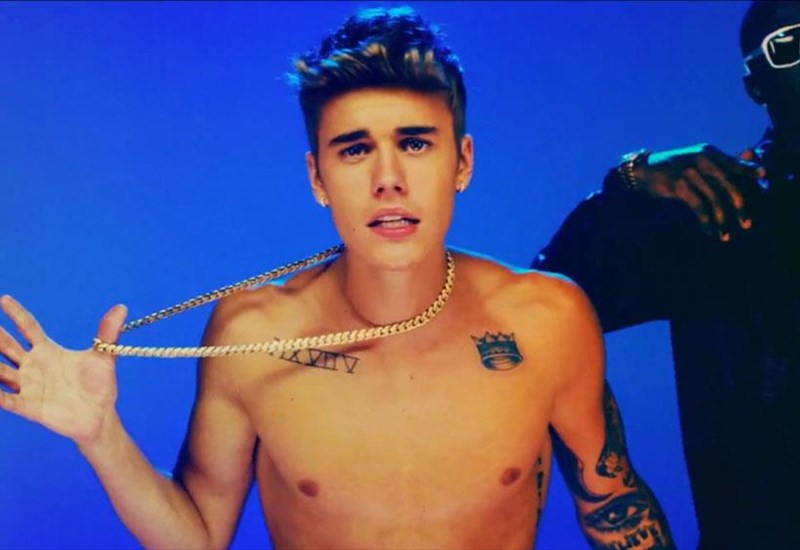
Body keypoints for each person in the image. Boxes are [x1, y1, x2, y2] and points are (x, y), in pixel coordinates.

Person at [0, 7, 672, 549]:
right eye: (355, 150)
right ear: (318, 176)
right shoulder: (253, 334)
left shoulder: (546, 320)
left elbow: (615, 505)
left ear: (462, 162)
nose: (388, 179)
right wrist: (101, 436)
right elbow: (198, 536)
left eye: (415, 143)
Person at [533, 2, 800, 548]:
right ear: (756, 85)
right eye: (791, 45)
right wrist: (630, 180)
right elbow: (536, 310)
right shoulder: (717, 209)